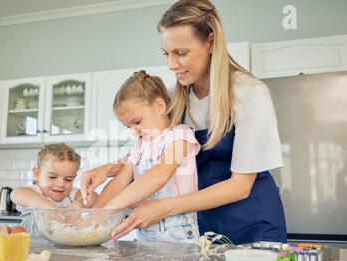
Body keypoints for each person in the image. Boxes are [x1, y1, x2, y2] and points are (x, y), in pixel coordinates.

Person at [81, 0, 287, 245]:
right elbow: (157, 154)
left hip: (252, 223)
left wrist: (164, 207)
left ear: (210, 42)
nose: (171, 64)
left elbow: (240, 186)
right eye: (166, 53)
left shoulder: (249, 94)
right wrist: (108, 169)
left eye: (181, 53)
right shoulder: (173, 98)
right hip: (202, 225)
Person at [93, 70, 201, 243]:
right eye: (128, 127)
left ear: (160, 106)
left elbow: (159, 175)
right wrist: (92, 216)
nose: (134, 131)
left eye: (137, 122)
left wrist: (110, 209)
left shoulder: (180, 136)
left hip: (179, 237)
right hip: (146, 236)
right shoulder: (139, 146)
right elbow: (120, 182)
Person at [11, 143, 96, 213]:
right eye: (52, 177)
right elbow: (16, 193)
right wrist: (50, 207)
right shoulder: (37, 191)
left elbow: (93, 197)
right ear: (37, 174)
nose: (61, 184)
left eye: (68, 179)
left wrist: (79, 203)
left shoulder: (70, 194)